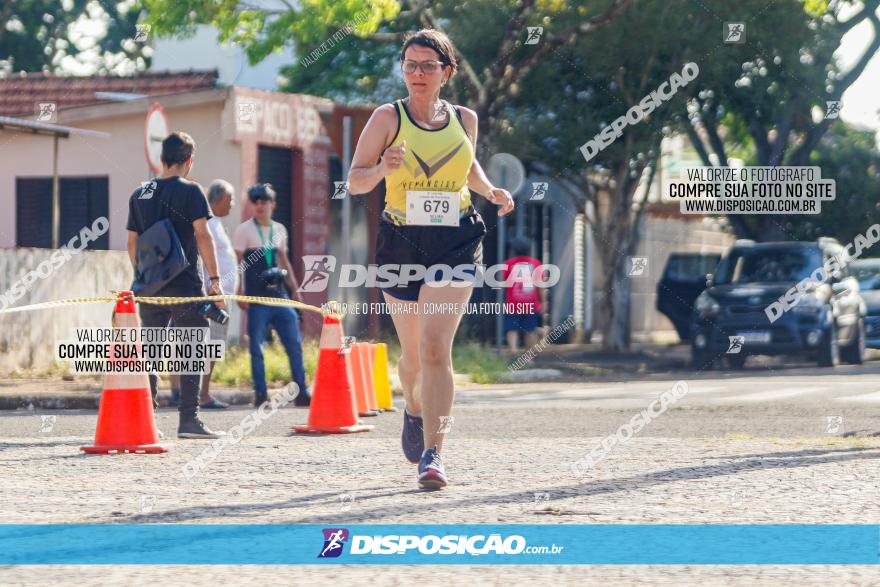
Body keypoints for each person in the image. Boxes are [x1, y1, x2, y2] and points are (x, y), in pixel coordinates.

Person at [348, 29, 515, 489]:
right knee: (414, 359)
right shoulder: (388, 118)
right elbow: (355, 181)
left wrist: (489, 190)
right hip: (402, 241)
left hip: (455, 241)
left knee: (437, 348)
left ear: (446, 72)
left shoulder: (465, 118)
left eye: (427, 66)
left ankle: (434, 454)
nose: (417, 74)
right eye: (409, 65)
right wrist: (382, 169)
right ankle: (413, 408)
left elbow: (468, 166)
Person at [125, 131, 225, 439]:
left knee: (151, 351)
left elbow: (131, 242)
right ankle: (188, 421)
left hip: (150, 288)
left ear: (162, 158)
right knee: (191, 348)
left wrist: (146, 276)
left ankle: (147, 422)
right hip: (186, 286)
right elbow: (203, 236)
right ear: (189, 160)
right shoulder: (192, 191)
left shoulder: (140, 194)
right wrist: (215, 280)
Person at [232, 183, 311, 408]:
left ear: (272, 204)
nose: (260, 205)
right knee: (256, 347)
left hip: (280, 296)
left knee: (294, 343)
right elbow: (238, 263)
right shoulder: (244, 230)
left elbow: (284, 260)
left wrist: (295, 290)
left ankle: (302, 391)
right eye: (255, 201)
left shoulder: (279, 229)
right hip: (257, 300)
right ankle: (260, 393)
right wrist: (239, 290)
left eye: (264, 201)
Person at [502, 236, 548, 354]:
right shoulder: (536, 264)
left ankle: (513, 350)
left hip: (513, 302)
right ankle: (527, 357)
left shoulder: (508, 264)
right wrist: (543, 302)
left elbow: (505, 284)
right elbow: (541, 286)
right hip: (531, 303)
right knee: (530, 330)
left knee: (511, 328)